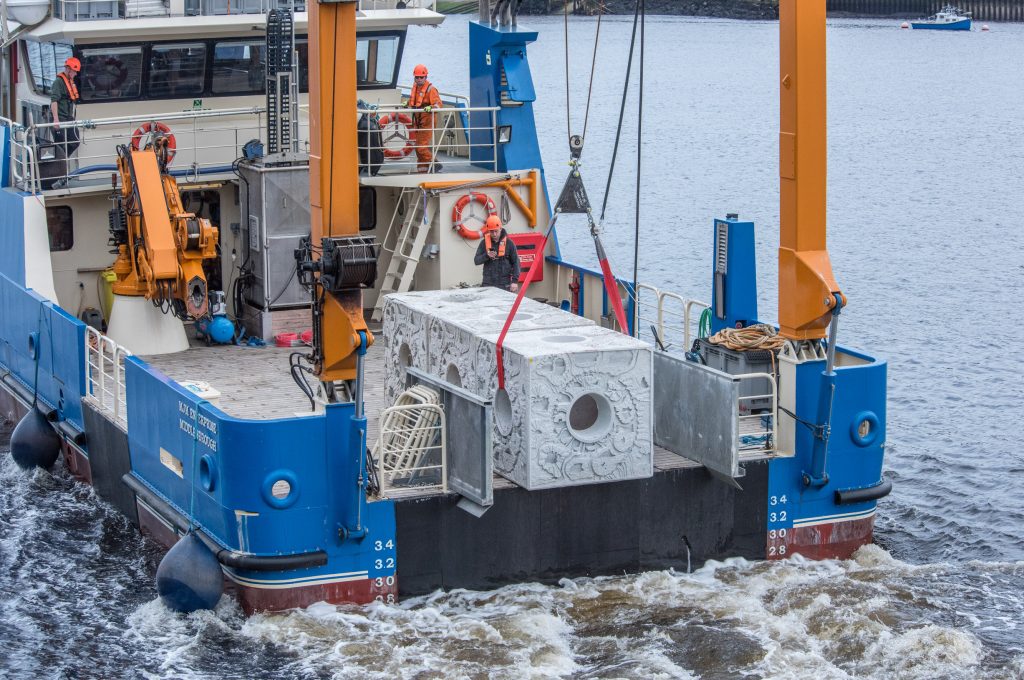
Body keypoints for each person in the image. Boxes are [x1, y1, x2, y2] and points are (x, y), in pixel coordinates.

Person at [408, 64, 442, 173]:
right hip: (418, 122)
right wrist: (407, 103)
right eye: (416, 77)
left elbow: (438, 105)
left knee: (420, 147)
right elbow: (415, 102)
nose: (418, 79)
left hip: (427, 122)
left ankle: (434, 164)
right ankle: (423, 169)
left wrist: (430, 107)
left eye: (421, 77)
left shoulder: (431, 89)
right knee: (418, 148)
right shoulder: (416, 88)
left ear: (425, 77)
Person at [474, 215, 521, 292]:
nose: (494, 234)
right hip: (487, 283)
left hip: (504, 284)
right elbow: (476, 261)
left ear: (500, 228)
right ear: (488, 230)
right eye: (491, 231)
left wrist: (514, 281)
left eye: (496, 231)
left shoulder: (509, 243)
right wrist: (487, 255)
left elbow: (516, 263)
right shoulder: (484, 243)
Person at [50, 57, 82, 156]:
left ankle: (63, 158)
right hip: (60, 118)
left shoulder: (70, 82)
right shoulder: (58, 82)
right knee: (60, 145)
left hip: (68, 118)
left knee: (75, 141)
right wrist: (56, 120)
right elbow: (54, 101)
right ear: (68, 69)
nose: (76, 74)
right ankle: (61, 162)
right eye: (74, 71)